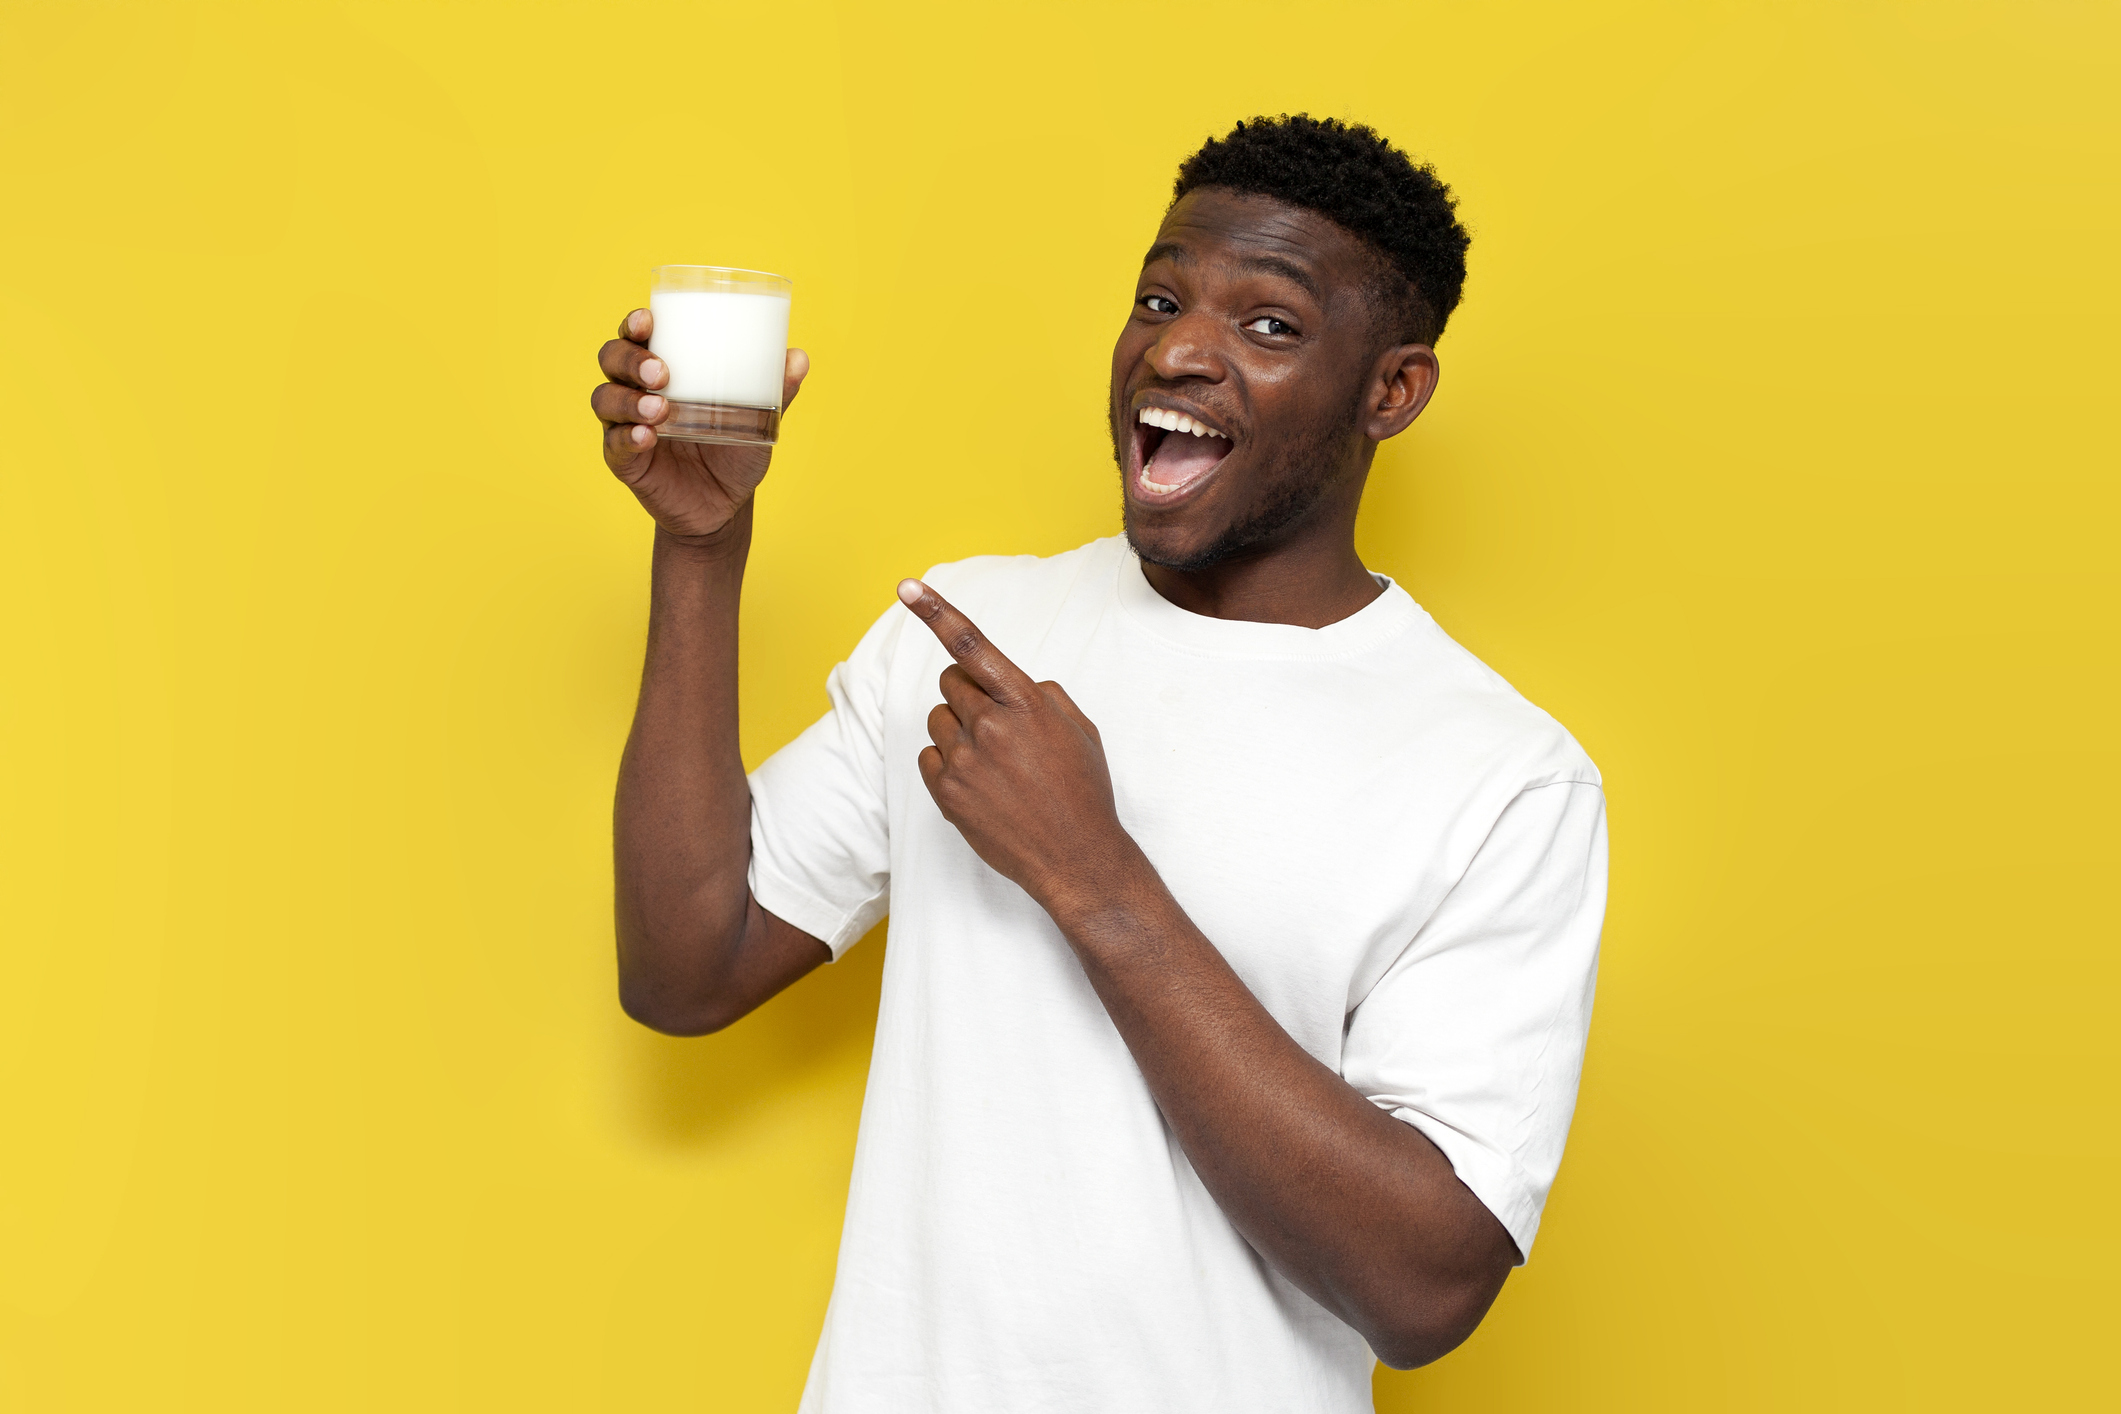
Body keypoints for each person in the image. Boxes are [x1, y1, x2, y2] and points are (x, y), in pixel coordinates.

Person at [590, 114, 1606, 1413]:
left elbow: (1424, 1288)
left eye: (1270, 325)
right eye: (1158, 298)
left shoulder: (1500, 777)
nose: (1178, 348)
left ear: (1390, 391)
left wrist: (1094, 876)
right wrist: (700, 546)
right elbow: (687, 965)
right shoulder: (965, 633)